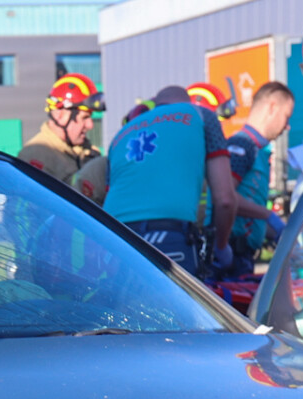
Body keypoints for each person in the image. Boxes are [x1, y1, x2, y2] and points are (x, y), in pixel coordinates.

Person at [102, 85, 240, 271]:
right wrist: (222, 247)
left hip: (113, 240)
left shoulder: (120, 135)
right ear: (187, 102)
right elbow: (225, 199)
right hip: (169, 238)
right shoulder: (202, 116)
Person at [223, 82, 296, 275]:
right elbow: (225, 196)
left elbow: (245, 216)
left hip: (243, 255)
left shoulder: (258, 151)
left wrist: (277, 233)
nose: (287, 126)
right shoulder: (242, 144)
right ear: (272, 107)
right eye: (286, 116)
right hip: (230, 255)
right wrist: (268, 215)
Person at [20, 74, 103, 188]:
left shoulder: (90, 152)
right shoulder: (35, 156)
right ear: (59, 114)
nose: (90, 125)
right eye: (84, 117)